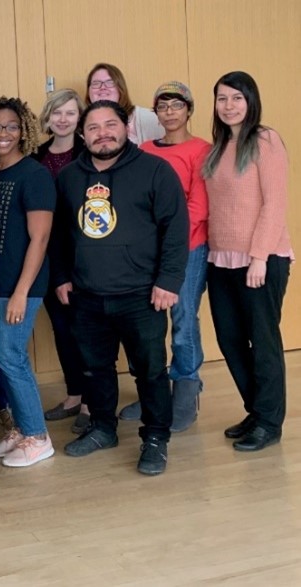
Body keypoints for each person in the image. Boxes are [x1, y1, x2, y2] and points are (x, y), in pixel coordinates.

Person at [53, 101, 188, 476]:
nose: (102, 133)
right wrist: (61, 276)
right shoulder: (68, 178)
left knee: (150, 371)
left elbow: (176, 230)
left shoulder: (154, 171)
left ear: (125, 127)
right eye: (93, 127)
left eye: (109, 124)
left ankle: (156, 438)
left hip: (142, 295)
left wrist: (168, 281)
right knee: (95, 370)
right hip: (86, 295)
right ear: (82, 135)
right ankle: (102, 428)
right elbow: (60, 235)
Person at [203, 71, 293, 452]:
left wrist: (258, 257)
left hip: (262, 259)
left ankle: (270, 422)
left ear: (251, 101)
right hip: (221, 261)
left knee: (265, 341)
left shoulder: (265, 140)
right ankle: (256, 410)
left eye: (236, 98)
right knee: (231, 340)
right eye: (222, 99)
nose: (229, 106)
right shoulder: (217, 148)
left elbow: (274, 203)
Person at [120, 82, 211, 432]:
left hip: (187, 249)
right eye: (163, 106)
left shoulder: (201, 150)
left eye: (177, 105)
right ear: (155, 113)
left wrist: (168, 243)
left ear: (189, 109)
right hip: (147, 252)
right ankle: (153, 389)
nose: (170, 112)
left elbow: (198, 207)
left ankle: (186, 388)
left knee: (184, 318)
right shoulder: (143, 150)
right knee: (147, 323)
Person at [0, 97, 56, 467]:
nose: (3, 133)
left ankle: (38, 437)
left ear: (24, 130)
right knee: (2, 360)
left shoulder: (34, 174)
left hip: (20, 288)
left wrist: (21, 292)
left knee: (11, 359)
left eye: (11, 126)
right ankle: (21, 430)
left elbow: (39, 239)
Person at [31, 89, 91, 435]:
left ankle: (90, 401)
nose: (63, 119)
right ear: (48, 117)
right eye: (57, 113)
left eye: (70, 113)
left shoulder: (88, 153)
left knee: (86, 331)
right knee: (62, 330)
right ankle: (73, 394)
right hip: (48, 253)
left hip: (84, 254)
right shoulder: (36, 156)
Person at [85, 63, 164, 145]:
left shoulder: (150, 118)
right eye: (96, 83)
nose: (103, 87)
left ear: (120, 88)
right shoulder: (81, 124)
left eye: (110, 82)